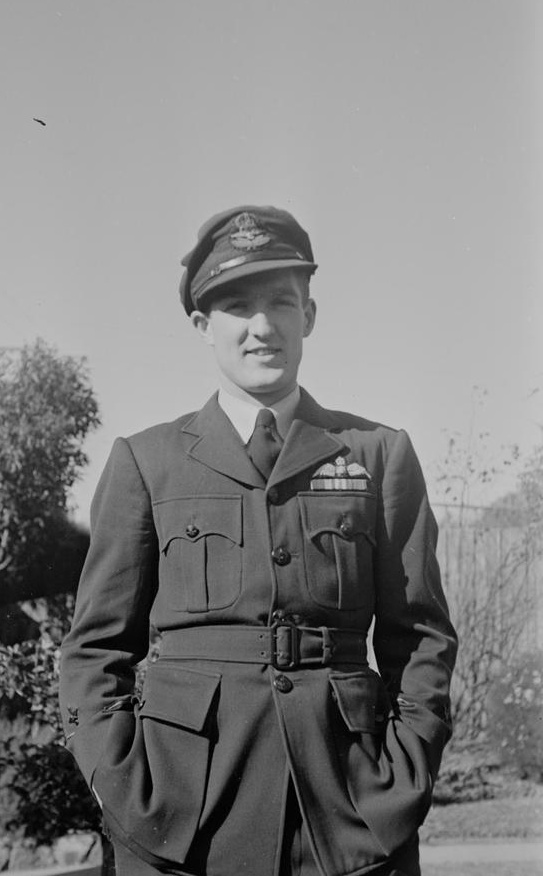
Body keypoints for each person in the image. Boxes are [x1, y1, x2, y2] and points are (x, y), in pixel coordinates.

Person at [59, 205, 458, 876]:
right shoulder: (147, 462)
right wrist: (121, 781)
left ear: (310, 314)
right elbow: (94, 647)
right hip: (182, 820)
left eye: (281, 302)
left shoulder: (377, 454)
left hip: (351, 812)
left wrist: (406, 771)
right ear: (203, 326)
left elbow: (421, 636)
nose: (263, 326)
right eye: (238, 306)